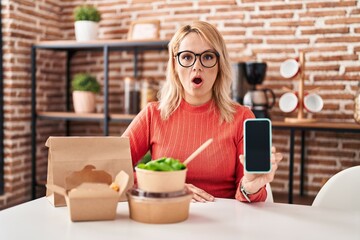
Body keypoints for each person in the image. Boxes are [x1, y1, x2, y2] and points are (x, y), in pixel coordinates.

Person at [122, 21, 283, 203]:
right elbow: (113, 169)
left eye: (207, 57)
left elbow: (248, 195)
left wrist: (250, 187)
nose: (196, 66)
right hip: (167, 218)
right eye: (187, 57)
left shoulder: (241, 117)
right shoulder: (152, 114)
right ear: (175, 65)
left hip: (223, 223)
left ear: (219, 65)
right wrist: (164, 185)